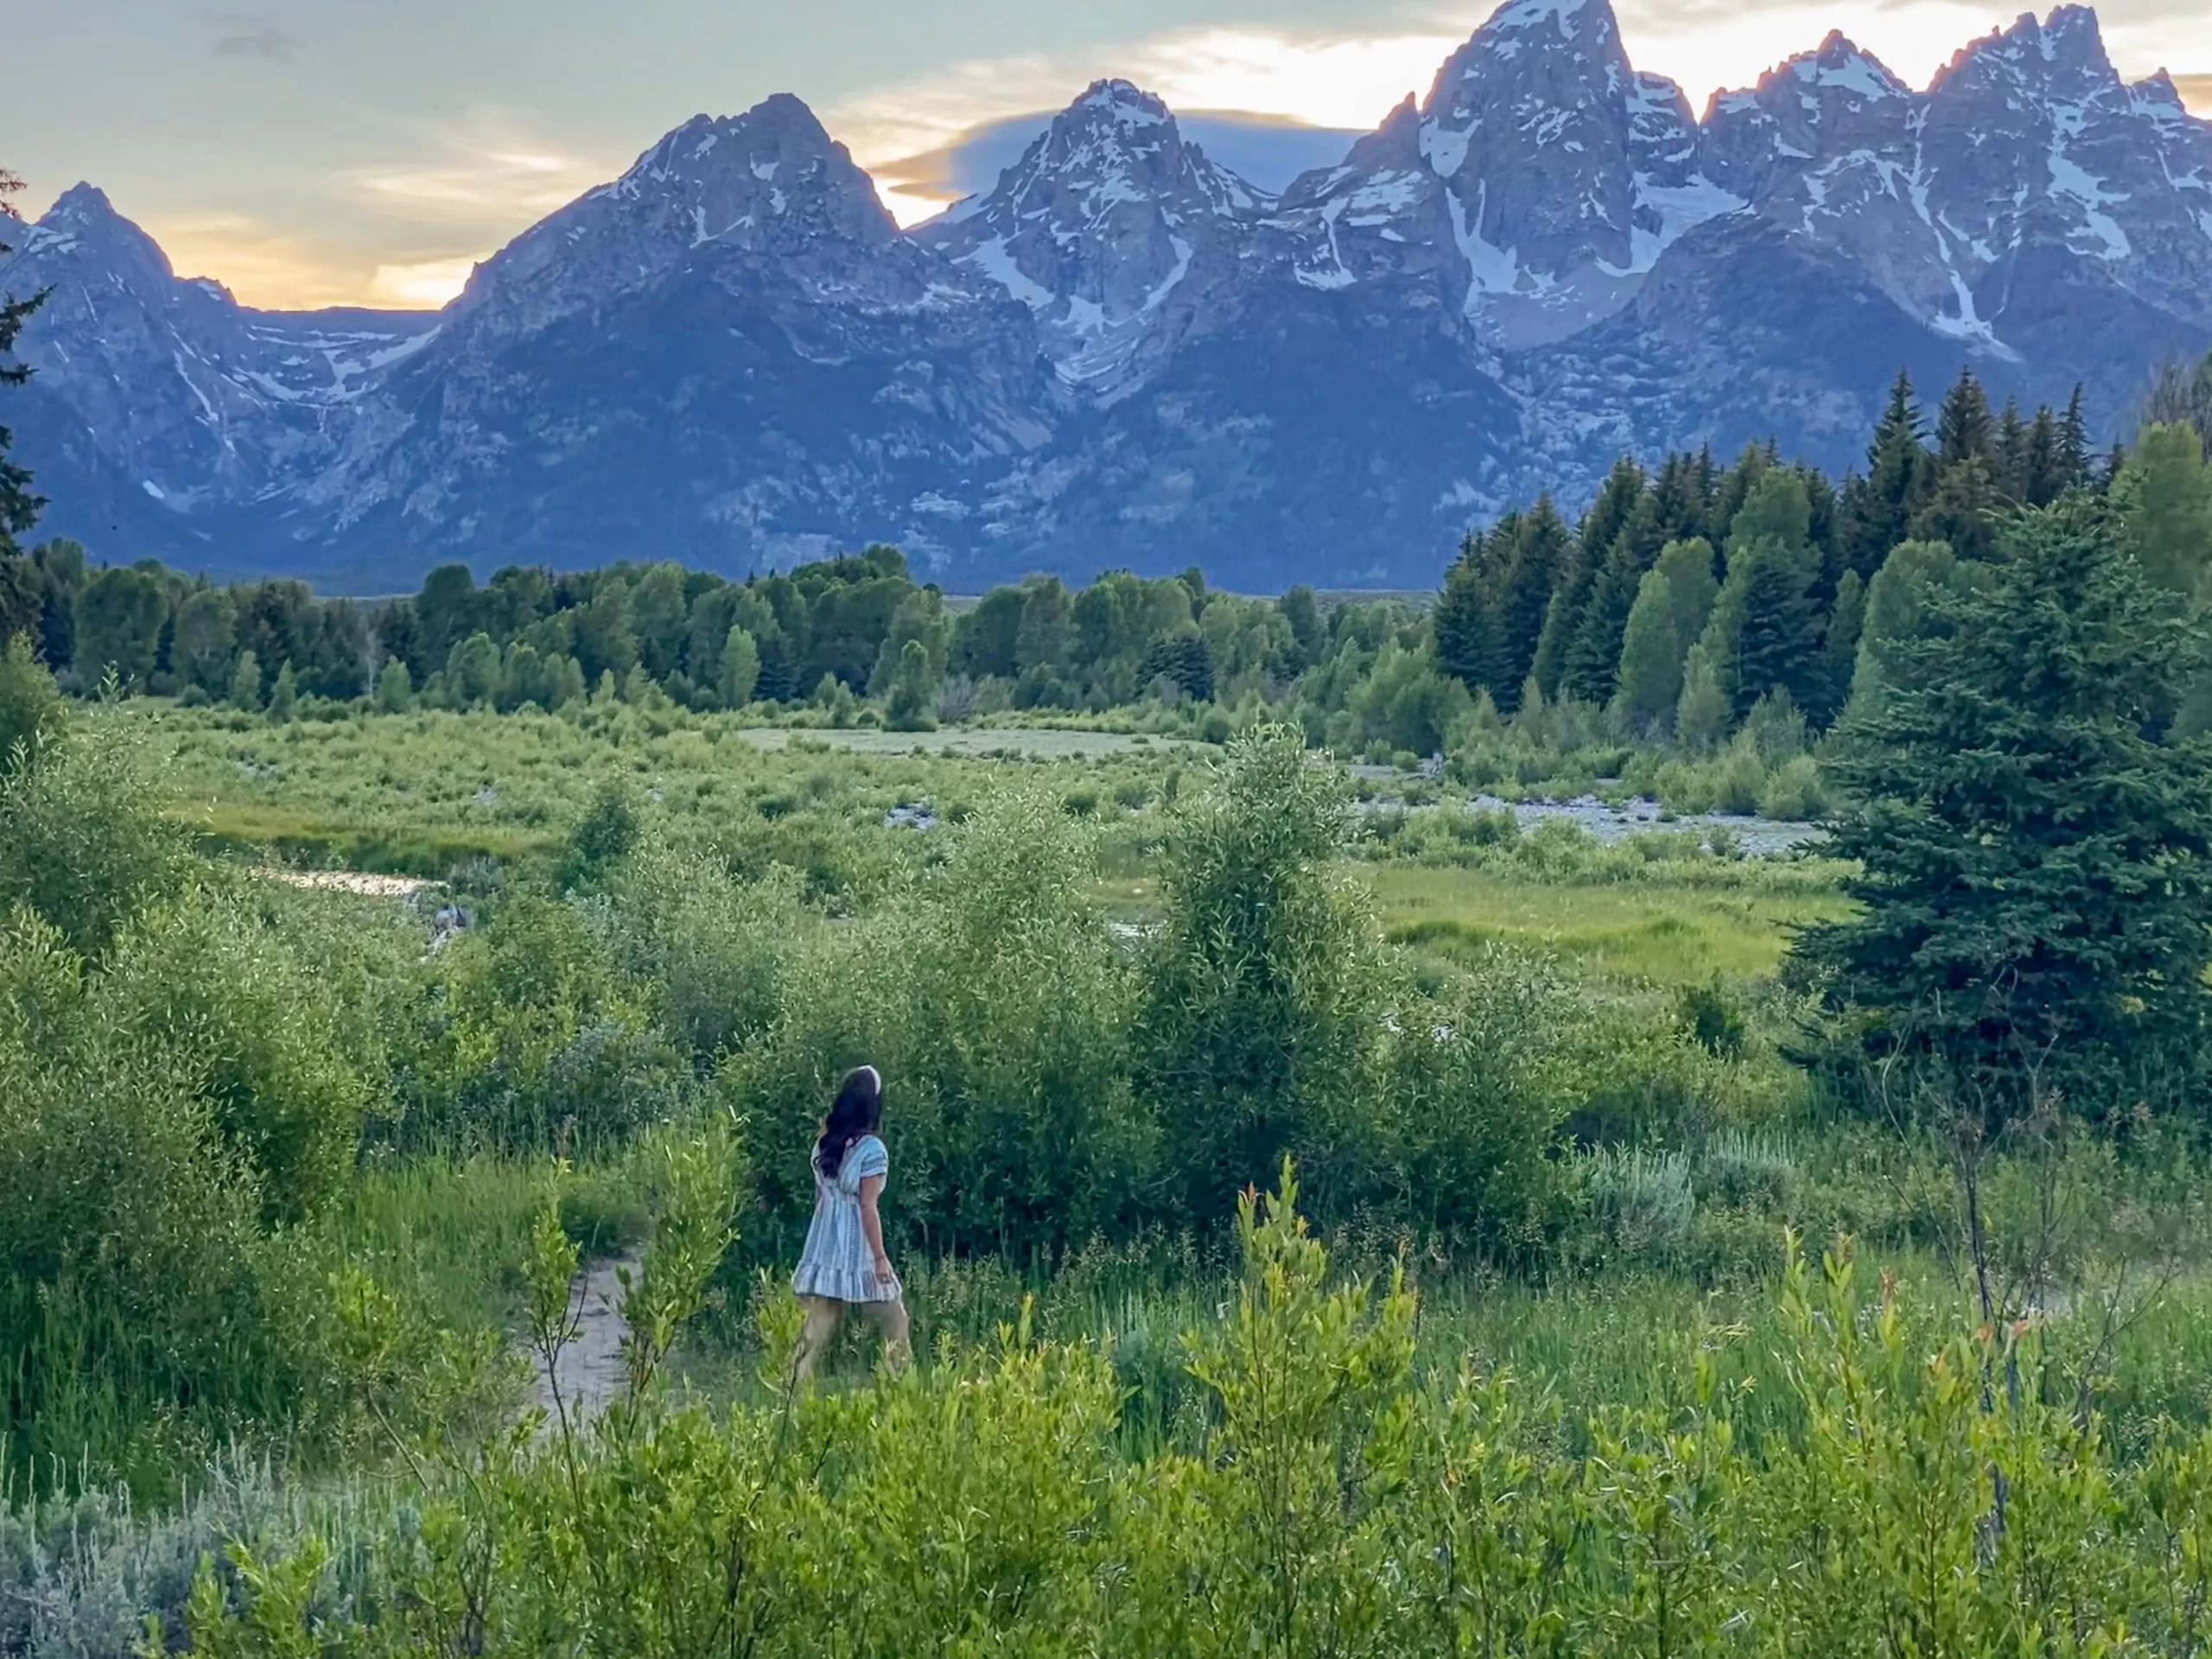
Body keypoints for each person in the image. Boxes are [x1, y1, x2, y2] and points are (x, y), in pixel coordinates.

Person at [791, 1065, 909, 1381]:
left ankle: (791, 1385)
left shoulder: (824, 1142)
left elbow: (821, 1199)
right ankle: (896, 1381)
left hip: (826, 1242)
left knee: (820, 1320)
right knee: (896, 1318)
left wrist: (817, 1252)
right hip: (858, 1246)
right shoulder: (872, 1150)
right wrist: (881, 1258)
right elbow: (868, 1207)